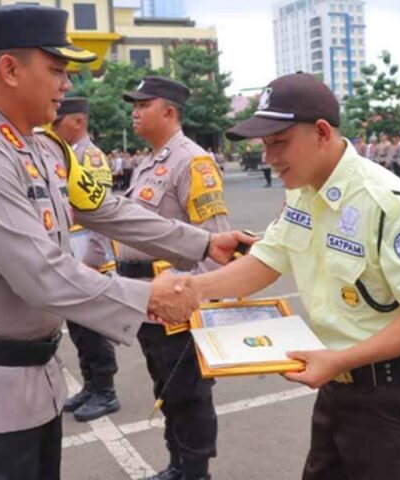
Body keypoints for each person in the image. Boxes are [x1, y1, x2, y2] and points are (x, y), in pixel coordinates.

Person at [0, 5, 253, 480]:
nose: (67, 85)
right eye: (56, 70)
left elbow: (104, 209)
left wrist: (203, 243)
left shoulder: (43, 148)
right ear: (9, 69)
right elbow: (41, 274)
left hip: (33, 384)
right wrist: (147, 297)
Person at [191, 72, 400, 480]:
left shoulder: (387, 203)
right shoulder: (303, 192)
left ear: (321, 132)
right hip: (336, 384)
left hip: (390, 395)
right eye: (264, 145)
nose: (269, 158)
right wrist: (191, 290)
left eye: (279, 142)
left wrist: (339, 359)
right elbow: (269, 257)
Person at [119, 75, 232, 480]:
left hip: (178, 302)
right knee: (166, 388)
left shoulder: (192, 161)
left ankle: (196, 471)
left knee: (189, 393)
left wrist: (196, 306)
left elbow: (215, 241)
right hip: (148, 298)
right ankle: (178, 465)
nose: (134, 111)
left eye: (143, 104)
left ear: (168, 111)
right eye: (134, 104)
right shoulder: (149, 162)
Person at [51, 96, 121, 422]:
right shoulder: (64, 156)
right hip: (71, 256)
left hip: (88, 256)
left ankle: (105, 391)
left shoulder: (89, 157)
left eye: (58, 122)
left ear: (77, 122)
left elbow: (101, 215)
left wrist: (92, 261)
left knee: (93, 327)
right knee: (78, 328)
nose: (52, 127)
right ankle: (91, 385)